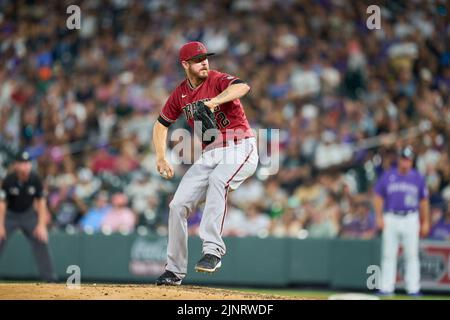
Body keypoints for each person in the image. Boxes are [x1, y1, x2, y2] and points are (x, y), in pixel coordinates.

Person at [153, 41, 258, 285]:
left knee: (217, 180)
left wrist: (212, 102)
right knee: (177, 205)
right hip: (211, 151)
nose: (204, 62)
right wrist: (161, 156)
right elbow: (160, 124)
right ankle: (174, 271)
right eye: (198, 59)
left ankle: (212, 251)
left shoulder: (217, 79)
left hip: (240, 144)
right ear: (185, 64)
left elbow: (243, 87)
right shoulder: (180, 93)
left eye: (206, 58)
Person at [373, 146, 430, 296]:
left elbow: (424, 201)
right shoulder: (388, 175)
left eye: (408, 160)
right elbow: (378, 197)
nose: (406, 162)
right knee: (388, 255)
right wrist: (379, 217)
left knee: (412, 255)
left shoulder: (417, 177)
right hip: (391, 217)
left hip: (411, 217)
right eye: (404, 159)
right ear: (399, 160)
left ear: (412, 161)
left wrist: (425, 222)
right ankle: (386, 287)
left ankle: (413, 288)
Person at [0, 151, 57, 282]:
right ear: (16, 165)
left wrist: (41, 225)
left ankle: (50, 279)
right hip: (10, 215)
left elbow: (41, 201)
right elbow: (2, 204)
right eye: (22, 163)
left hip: (28, 214)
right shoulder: (9, 180)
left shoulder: (35, 179)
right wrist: (1, 225)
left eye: (27, 163)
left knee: (41, 239)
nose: (25, 166)